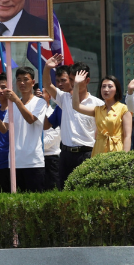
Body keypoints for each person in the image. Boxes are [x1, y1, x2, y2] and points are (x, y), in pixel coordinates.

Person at [0, 70, 49, 194]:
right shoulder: (13, 104)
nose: (22, 82)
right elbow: (4, 129)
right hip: (15, 163)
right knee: (16, 205)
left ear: (33, 82)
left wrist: (16, 100)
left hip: (33, 162)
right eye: (19, 79)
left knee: (34, 204)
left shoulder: (40, 102)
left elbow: (31, 119)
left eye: (25, 79)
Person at [49, 59, 101, 187]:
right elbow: (47, 85)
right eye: (72, 80)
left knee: (87, 191)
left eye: (77, 80)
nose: (73, 83)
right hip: (66, 154)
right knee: (65, 192)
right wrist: (46, 68)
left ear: (87, 81)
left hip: (87, 154)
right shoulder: (64, 98)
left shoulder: (98, 104)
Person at [72, 72, 132, 156]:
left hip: (116, 150)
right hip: (99, 150)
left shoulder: (124, 109)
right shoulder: (97, 109)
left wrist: (125, 157)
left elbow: (127, 136)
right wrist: (76, 85)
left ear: (116, 90)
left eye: (110, 86)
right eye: (103, 86)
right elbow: (76, 106)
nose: (106, 89)